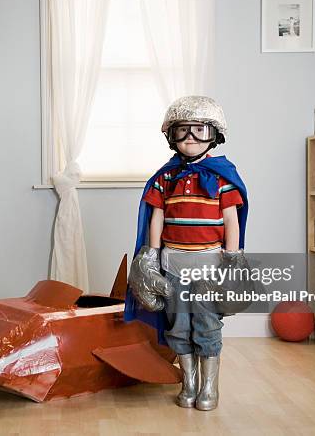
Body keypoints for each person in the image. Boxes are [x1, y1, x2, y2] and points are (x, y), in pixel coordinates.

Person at [124, 96, 249, 411]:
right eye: (182, 131)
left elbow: (232, 220)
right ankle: (189, 383)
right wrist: (150, 256)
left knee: (206, 325)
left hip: (209, 269)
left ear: (214, 135)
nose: (190, 138)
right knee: (178, 325)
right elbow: (157, 217)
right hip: (173, 266)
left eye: (199, 130)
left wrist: (232, 259)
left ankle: (210, 387)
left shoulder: (222, 178)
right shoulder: (166, 178)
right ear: (171, 136)